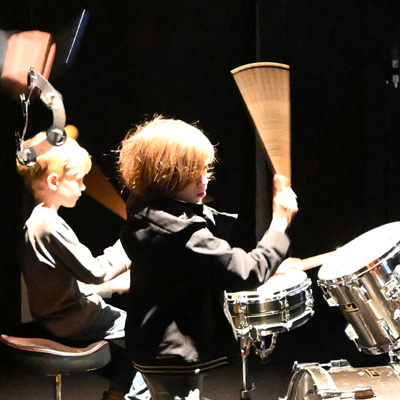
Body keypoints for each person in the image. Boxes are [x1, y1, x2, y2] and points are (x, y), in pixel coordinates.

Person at [117, 115, 298, 400]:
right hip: (172, 354)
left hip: (153, 347)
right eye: (191, 172)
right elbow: (246, 273)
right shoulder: (181, 233)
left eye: (205, 169)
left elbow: (199, 264)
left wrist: (270, 260)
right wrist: (279, 223)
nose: (204, 180)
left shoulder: (145, 210)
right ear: (165, 174)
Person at [16, 131, 150, 400]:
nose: (84, 187)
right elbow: (95, 271)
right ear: (54, 181)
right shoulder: (49, 224)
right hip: (73, 319)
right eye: (78, 180)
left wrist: (115, 286)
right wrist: (130, 243)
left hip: (62, 314)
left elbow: (62, 282)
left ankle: (118, 394)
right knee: (149, 335)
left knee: (136, 337)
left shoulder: (36, 220)